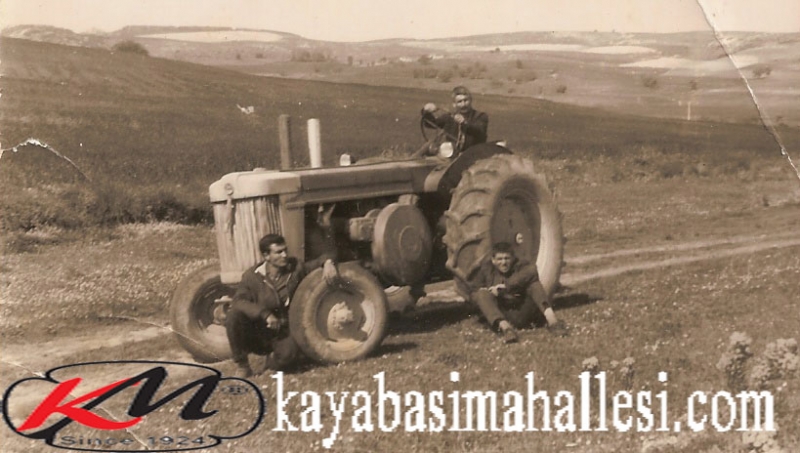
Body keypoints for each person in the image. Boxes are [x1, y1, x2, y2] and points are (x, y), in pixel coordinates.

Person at [226, 231, 338, 378]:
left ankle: (272, 362)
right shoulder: (252, 276)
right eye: (278, 252)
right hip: (260, 330)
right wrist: (264, 314)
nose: (284, 255)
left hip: (284, 330)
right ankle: (243, 366)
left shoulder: (295, 268)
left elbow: (325, 257)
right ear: (266, 256)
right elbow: (239, 301)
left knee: (289, 355)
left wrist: (328, 263)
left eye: (285, 250)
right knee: (234, 316)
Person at [468, 242, 565, 344]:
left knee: (534, 285)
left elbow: (532, 272)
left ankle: (553, 322)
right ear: (493, 260)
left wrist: (506, 287)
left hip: (522, 309)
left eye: (507, 258)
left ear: (513, 258)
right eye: (499, 259)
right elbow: (472, 293)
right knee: (481, 294)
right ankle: (506, 329)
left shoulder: (521, 265)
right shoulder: (486, 270)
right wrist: (487, 293)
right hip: (502, 314)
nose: (503, 262)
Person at [422, 85, 488, 154]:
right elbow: (430, 124)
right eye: (459, 102)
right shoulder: (449, 117)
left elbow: (480, 131)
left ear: (471, 100)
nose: (463, 104)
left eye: (466, 100)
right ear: (454, 104)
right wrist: (426, 112)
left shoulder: (480, 116)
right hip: (452, 153)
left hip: (474, 154)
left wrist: (464, 123)